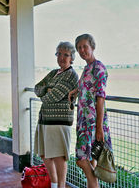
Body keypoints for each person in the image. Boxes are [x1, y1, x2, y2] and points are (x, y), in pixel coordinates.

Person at [68, 34, 112, 188]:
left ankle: (94, 184)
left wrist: (99, 127)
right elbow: (86, 89)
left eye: (85, 46)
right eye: (79, 48)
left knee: (81, 160)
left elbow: (100, 98)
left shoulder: (99, 67)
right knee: (90, 160)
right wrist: (75, 91)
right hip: (83, 121)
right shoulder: (87, 68)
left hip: (92, 123)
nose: (82, 50)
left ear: (92, 47)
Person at [34, 41, 79, 188]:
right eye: (59, 54)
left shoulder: (71, 75)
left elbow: (50, 98)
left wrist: (47, 91)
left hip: (60, 122)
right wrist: (47, 90)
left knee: (59, 156)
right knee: (45, 154)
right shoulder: (54, 73)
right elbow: (37, 88)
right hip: (45, 120)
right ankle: (53, 184)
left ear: (72, 58)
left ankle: (60, 186)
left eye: (66, 55)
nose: (62, 57)